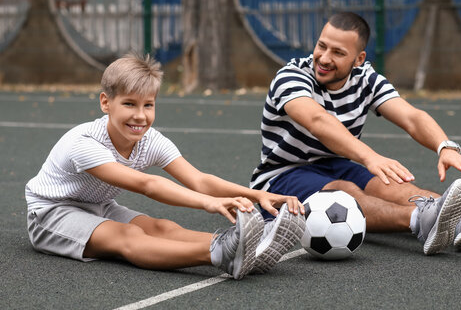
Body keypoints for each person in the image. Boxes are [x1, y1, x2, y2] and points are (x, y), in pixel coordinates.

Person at [250, 11, 461, 255]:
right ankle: (420, 220)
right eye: (322, 46)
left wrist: (444, 146)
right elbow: (317, 120)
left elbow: (411, 117)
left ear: (359, 59)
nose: (324, 58)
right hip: (281, 175)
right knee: (344, 192)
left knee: (390, 185)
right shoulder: (292, 75)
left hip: (335, 164)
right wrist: (369, 157)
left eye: (338, 53)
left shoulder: (366, 79)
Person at [25, 53, 305, 280]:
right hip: (51, 213)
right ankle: (219, 254)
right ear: (105, 103)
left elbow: (199, 180)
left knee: (161, 226)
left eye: (149, 105)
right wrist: (209, 203)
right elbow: (148, 185)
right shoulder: (84, 143)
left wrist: (258, 195)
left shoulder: (150, 140)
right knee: (129, 235)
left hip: (98, 204)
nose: (140, 116)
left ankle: (246, 246)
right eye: (129, 104)